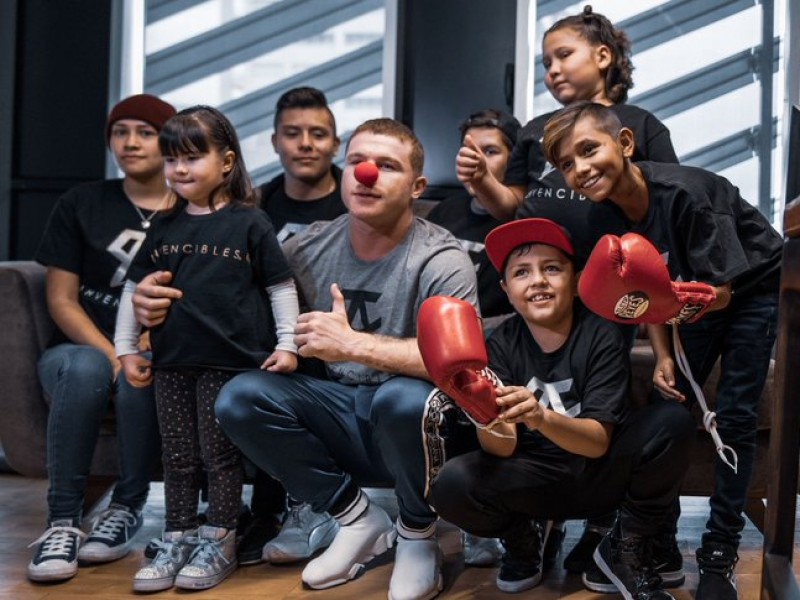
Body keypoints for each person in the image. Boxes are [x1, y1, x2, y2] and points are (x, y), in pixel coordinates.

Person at [131, 117, 479, 600]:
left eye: (386, 165)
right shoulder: (305, 247)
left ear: (417, 186)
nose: (366, 175)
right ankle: (356, 519)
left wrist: (353, 344)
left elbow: (461, 371)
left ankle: (417, 534)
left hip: (415, 428)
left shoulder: (442, 258)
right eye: (356, 161)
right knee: (239, 396)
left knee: (402, 397)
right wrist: (152, 299)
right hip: (335, 412)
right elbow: (224, 303)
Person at [455, 5, 682, 578]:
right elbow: (519, 211)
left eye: (564, 55)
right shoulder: (536, 133)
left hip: (614, 300)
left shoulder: (641, 123)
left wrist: (662, 349)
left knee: (618, 410)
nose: (551, 70)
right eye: (545, 62)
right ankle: (534, 518)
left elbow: (659, 223)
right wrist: (485, 182)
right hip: (549, 291)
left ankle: (623, 531)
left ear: (603, 57)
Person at [541, 101, 782, 600]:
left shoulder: (688, 196)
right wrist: (665, 357)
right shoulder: (601, 218)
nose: (580, 169)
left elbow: (717, 294)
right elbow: (642, 295)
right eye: (567, 163)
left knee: (734, 415)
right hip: (692, 297)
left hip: (749, 290)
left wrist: (672, 313)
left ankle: (720, 551)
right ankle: (654, 543)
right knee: (668, 412)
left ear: (625, 144)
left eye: (589, 150)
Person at [427, 218, 696, 599]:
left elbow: (598, 443)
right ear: (506, 289)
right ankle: (524, 537)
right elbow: (500, 447)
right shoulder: (498, 344)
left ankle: (624, 545)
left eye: (552, 268)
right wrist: (481, 408)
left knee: (672, 422)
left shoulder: (601, 333)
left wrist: (539, 416)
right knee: (451, 484)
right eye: (521, 272)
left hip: (597, 474)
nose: (538, 280)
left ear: (575, 279)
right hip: (532, 477)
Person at [114, 105, 300, 592]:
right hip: (173, 363)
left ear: (226, 162)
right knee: (177, 457)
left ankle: (220, 538)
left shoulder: (250, 223)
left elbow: (280, 287)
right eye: (172, 158)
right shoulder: (164, 225)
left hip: (230, 363)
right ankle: (178, 537)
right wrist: (126, 349)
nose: (179, 169)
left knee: (220, 459)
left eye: (193, 158)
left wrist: (288, 344)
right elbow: (135, 290)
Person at [27, 94, 176, 583]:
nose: (130, 142)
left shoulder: (192, 209)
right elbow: (62, 300)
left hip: (163, 350)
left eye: (145, 131)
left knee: (140, 375)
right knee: (91, 369)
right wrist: (115, 351)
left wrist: (141, 350)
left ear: (169, 140)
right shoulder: (83, 203)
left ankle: (125, 509)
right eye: (120, 131)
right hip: (79, 349)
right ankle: (63, 522)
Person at [237, 86, 346, 568]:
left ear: (335, 144)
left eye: (317, 134)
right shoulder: (249, 208)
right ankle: (250, 512)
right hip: (265, 339)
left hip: (339, 339)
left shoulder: (357, 200)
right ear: (274, 141)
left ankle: (315, 506)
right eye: (293, 133)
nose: (305, 143)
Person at [425, 108, 520, 322]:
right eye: (468, 151)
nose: (474, 161)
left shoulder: (522, 220)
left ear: (513, 160)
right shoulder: (443, 212)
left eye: (490, 151)